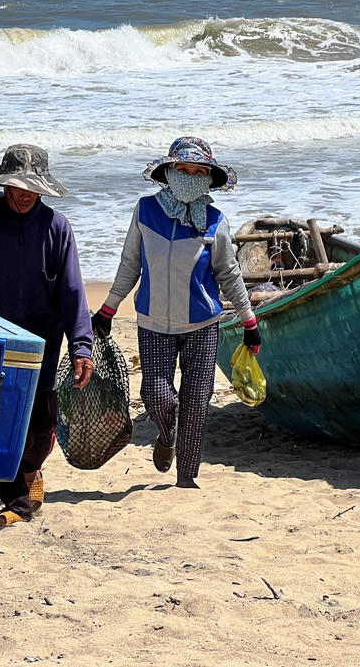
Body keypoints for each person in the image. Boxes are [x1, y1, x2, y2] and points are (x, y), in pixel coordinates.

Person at [91, 137, 261, 490]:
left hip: (202, 323)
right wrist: (108, 308)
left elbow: (228, 274)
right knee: (156, 394)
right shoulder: (145, 211)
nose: (189, 176)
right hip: (153, 322)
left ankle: (187, 478)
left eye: (198, 171)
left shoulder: (215, 221)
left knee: (197, 402)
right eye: (182, 169)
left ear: (208, 179)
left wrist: (249, 321)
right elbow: (130, 264)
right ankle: (167, 434)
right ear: (168, 172)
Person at [0, 144, 94, 528]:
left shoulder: (57, 227)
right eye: (16, 185)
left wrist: (82, 344)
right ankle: (17, 503)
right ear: (4, 185)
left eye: (32, 187)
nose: (25, 193)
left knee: (40, 426)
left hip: (42, 343)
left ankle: (31, 472)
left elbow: (73, 293)